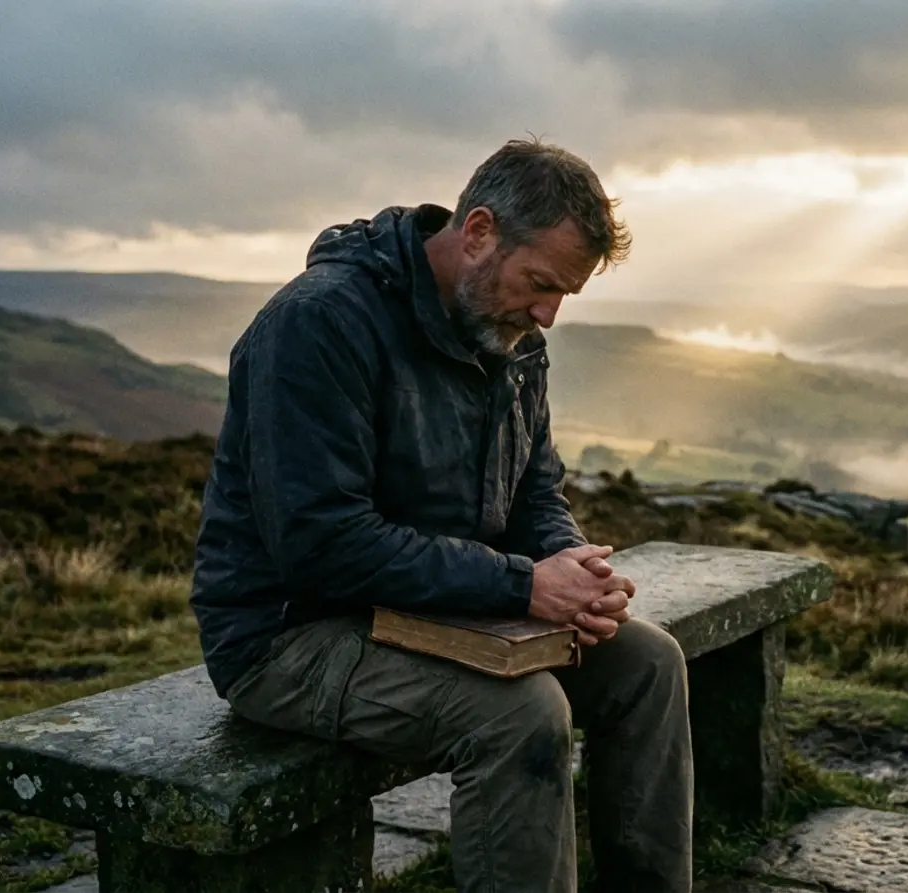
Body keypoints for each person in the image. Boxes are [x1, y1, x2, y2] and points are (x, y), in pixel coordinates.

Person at [188, 138, 693, 893]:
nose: (549, 315)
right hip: (292, 631)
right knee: (520, 715)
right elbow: (320, 544)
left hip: (440, 606)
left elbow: (533, 493)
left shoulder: (508, 335)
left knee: (650, 663)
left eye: (566, 296)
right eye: (541, 284)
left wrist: (575, 572)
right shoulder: (318, 324)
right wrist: (524, 586)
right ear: (479, 232)